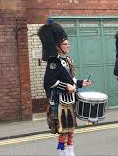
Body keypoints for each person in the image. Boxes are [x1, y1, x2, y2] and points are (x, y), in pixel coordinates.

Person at [38, 22, 92, 156]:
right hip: (60, 102)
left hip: (69, 101)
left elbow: (70, 80)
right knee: (63, 131)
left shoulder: (66, 60)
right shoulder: (53, 62)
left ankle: (70, 152)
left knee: (71, 130)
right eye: (65, 44)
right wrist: (66, 87)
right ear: (57, 46)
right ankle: (63, 153)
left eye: (68, 43)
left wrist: (80, 83)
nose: (68, 46)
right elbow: (48, 82)